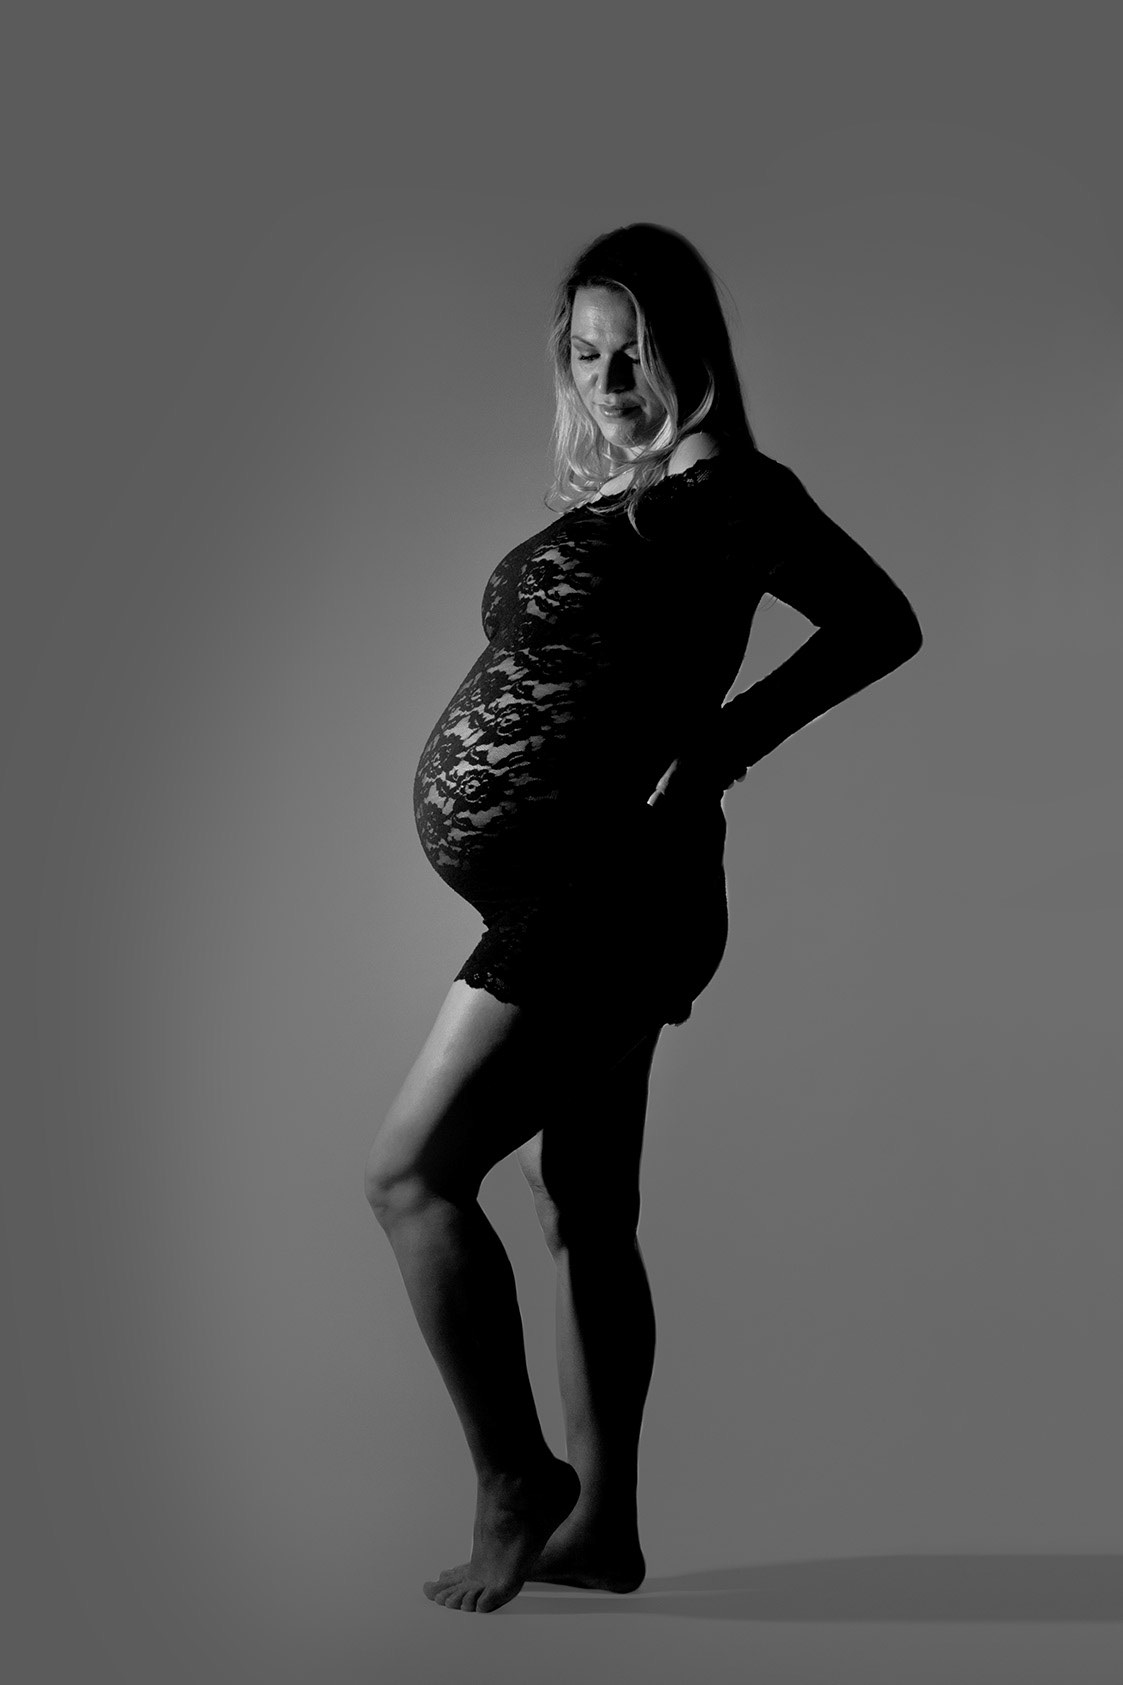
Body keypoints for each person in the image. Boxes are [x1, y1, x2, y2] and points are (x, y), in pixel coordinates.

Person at [365, 222, 923, 1614]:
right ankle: (604, 1529)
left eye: (636, 353)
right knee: (586, 1205)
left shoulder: (730, 491)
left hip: (611, 891)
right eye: (586, 354)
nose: (610, 379)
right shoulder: (636, 497)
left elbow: (878, 622)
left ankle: (517, 1478)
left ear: (692, 352)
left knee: (412, 1176)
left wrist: (722, 745)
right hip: (579, 888)